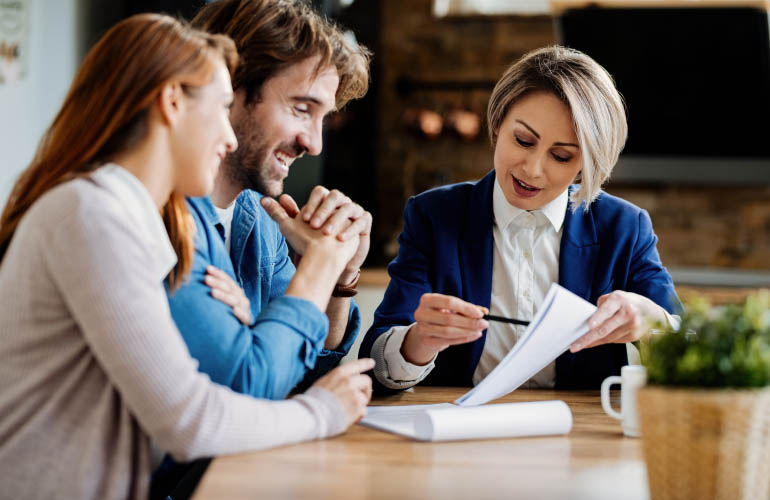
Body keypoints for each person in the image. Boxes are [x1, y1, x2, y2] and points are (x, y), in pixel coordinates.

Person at [0, 14, 373, 500]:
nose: (228, 135)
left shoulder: (133, 214)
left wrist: (256, 328)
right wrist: (322, 410)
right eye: (221, 107)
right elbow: (193, 419)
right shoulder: (93, 214)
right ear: (173, 103)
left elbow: (272, 375)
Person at [359, 46, 681, 392]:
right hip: (457, 431)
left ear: (586, 164)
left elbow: (694, 344)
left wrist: (653, 322)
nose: (533, 169)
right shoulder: (433, 215)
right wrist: (420, 341)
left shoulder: (624, 227)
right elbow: (375, 366)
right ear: (498, 124)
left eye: (560, 156)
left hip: (581, 435)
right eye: (524, 140)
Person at [164, 0, 372, 402]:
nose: (314, 144)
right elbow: (246, 386)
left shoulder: (261, 219)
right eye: (301, 109)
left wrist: (339, 277)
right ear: (230, 88)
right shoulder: (163, 215)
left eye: (323, 118)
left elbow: (305, 376)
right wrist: (320, 263)